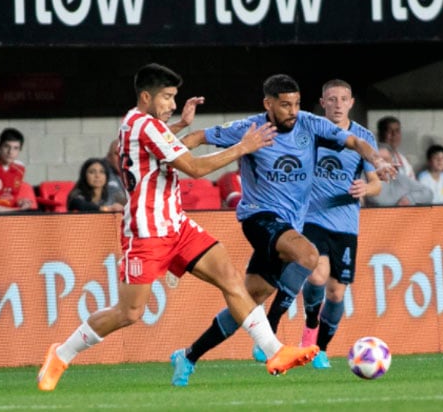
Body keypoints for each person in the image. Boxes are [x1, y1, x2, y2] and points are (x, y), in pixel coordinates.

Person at [36, 63, 316, 391]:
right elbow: (195, 168)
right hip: (146, 232)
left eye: (174, 97)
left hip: (178, 226)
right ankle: (61, 354)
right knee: (129, 312)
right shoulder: (147, 127)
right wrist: (243, 147)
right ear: (145, 96)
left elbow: (158, 145)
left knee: (230, 278)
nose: (172, 104)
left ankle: (275, 352)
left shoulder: (134, 122)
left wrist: (181, 124)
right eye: (167, 98)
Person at [169, 74, 395, 386]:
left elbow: (355, 142)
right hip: (258, 217)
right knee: (308, 254)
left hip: (289, 225)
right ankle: (272, 331)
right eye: (285, 105)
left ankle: (188, 355)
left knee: (245, 302)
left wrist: (378, 163)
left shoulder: (310, 124)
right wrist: (165, 153)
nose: (292, 110)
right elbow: (199, 137)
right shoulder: (250, 128)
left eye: (297, 103)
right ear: (268, 104)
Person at [276, 79, 382, 369]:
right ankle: (310, 328)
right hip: (312, 217)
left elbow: (376, 185)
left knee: (336, 293)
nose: (337, 104)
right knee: (317, 276)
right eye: (331, 99)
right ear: (322, 103)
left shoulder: (363, 138)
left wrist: (365, 189)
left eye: (343, 99)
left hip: (346, 225)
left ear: (351, 103)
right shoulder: (311, 132)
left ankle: (319, 349)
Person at [366, 143, 433, 206]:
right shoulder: (365, 179)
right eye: (379, 160)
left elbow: (428, 193)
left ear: (392, 162)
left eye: (386, 160)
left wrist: (409, 199)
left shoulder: (401, 179)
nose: (383, 164)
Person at [103, 139, 128, 207]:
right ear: (109, 157)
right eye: (117, 154)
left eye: (124, 154)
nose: (120, 158)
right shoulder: (101, 172)